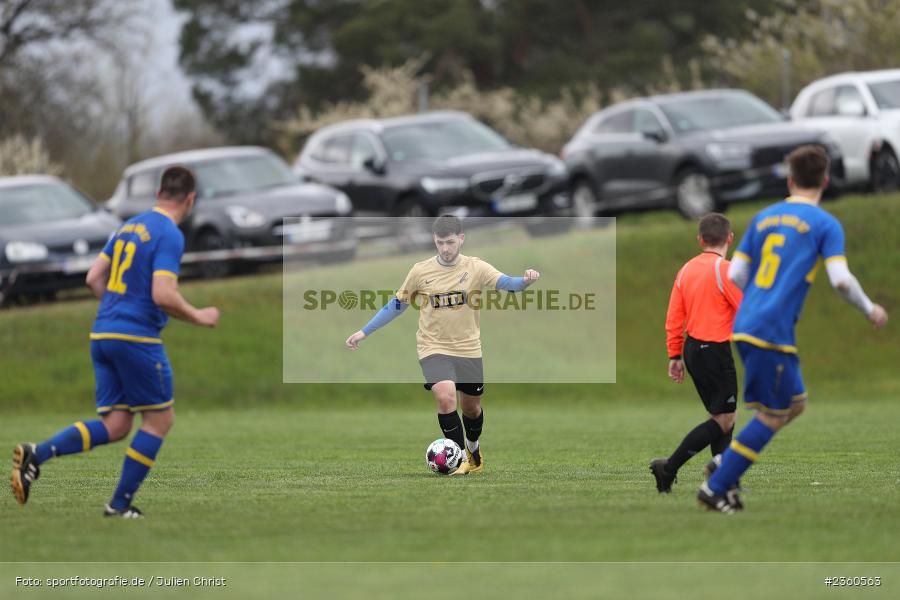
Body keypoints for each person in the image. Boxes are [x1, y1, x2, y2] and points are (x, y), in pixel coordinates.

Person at [11, 166, 220, 518]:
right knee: (159, 421)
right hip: (134, 337)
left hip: (102, 333)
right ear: (190, 199)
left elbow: (94, 277)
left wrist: (117, 309)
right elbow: (163, 293)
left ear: (157, 194)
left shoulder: (127, 227)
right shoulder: (169, 233)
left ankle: (37, 453)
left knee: (117, 425)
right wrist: (199, 315)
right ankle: (119, 505)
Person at [698, 145, 888, 513]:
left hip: (746, 325)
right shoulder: (825, 224)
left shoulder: (765, 217)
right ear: (825, 181)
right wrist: (870, 308)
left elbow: (736, 274)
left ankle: (727, 462)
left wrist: (760, 298)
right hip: (771, 330)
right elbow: (842, 281)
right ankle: (716, 486)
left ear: (790, 180)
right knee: (772, 414)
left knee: (795, 404)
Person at [345, 215, 539, 475]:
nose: (445, 249)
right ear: (434, 241)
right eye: (439, 243)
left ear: (461, 239)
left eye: (450, 242)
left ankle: (472, 446)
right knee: (446, 396)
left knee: (471, 408)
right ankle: (460, 460)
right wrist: (364, 331)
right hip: (432, 347)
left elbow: (507, 284)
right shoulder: (420, 271)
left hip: (468, 348)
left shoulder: (476, 267)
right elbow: (397, 305)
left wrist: (525, 281)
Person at [651, 213, 743, 493]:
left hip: (692, 350)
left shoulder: (686, 270)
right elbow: (746, 308)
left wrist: (674, 355)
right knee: (724, 419)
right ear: (729, 238)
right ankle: (667, 468)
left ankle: (725, 482)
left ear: (700, 240)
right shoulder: (725, 270)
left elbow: (673, 317)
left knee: (723, 417)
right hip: (715, 350)